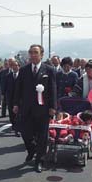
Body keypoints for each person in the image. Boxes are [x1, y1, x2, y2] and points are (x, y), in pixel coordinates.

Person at [13, 44, 57, 173]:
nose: (32, 55)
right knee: (26, 134)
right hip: (26, 109)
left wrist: (53, 107)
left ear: (41, 55)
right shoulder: (24, 70)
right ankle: (32, 150)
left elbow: (53, 89)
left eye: (35, 52)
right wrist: (16, 104)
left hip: (43, 110)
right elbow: (18, 89)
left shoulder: (48, 70)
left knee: (42, 137)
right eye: (31, 52)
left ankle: (39, 161)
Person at [70, 60, 92, 147]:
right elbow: (77, 88)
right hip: (85, 103)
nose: (88, 71)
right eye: (87, 69)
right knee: (87, 122)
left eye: (90, 69)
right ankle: (90, 141)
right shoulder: (83, 78)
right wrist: (73, 94)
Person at [4, 60, 21, 137]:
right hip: (10, 98)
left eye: (16, 65)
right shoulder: (8, 76)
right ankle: (14, 126)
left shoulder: (22, 75)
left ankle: (18, 129)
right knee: (12, 115)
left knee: (19, 115)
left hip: (20, 99)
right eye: (13, 65)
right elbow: (5, 87)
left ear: (19, 67)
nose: (15, 67)